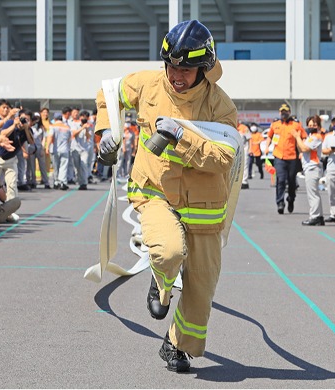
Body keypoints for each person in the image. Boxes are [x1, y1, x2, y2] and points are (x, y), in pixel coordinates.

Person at [96, 20, 237, 373]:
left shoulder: (221, 106)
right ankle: (161, 283)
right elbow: (108, 95)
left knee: (201, 289)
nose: (176, 75)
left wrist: (182, 137)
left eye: (186, 69)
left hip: (205, 208)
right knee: (169, 250)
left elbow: (223, 158)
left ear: (203, 68)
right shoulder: (147, 84)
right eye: (171, 66)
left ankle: (177, 345)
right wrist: (106, 132)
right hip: (154, 192)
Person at [264, 103, 306, 214]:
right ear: (279, 113)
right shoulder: (275, 124)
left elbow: (303, 137)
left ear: (289, 112)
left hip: (292, 157)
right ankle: (280, 202)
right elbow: (269, 136)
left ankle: (291, 199)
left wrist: (302, 152)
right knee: (281, 180)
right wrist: (267, 147)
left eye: (286, 111)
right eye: (282, 111)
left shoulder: (296, 125)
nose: (283, 113)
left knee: (292, 181)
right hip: (279, 157)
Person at [295, 116, 324, 226]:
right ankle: (319, 216)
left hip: (313, 167)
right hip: (309, 167)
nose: (311, 127)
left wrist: (297, 137)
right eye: (310, 125)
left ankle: (314, 216)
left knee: (312, 194)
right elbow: (301, 147)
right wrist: (299, 139)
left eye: (314, 125)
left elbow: (304, 149)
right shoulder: (310, 136)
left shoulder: (316, 137)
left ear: (319, 126)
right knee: (314, 193)